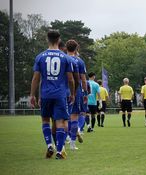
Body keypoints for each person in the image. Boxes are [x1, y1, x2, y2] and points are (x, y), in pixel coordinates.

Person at [30, 30, 75, 159]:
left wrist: (32, 95)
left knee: (45, 120)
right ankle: (60, 152)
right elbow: (71, 79)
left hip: (45, 94)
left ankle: (50, 145)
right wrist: (72, 93)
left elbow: (36, 79)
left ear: (47, 39)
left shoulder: (40, 56)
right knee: (60, 122)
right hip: (60, 94)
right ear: (59, 40)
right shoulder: (66, 57)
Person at [66, 40, 88, 151]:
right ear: (76, 48)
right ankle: (72, 145)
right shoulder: (79, 61)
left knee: (62, 118)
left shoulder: (62, 59)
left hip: (62, 90)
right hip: (75, 91)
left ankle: (59, 143)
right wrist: (85, 93)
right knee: (74, 116)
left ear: (66, 48)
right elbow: (83, 79)